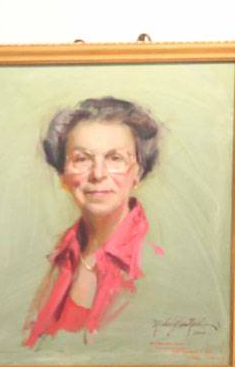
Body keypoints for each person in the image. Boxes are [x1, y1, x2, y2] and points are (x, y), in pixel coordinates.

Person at [24, 97, 162, 347]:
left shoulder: (157, 263)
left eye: (115, 158)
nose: (98, 174)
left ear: (138, 172)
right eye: (82, 158)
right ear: (63, 173)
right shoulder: (59, 257)